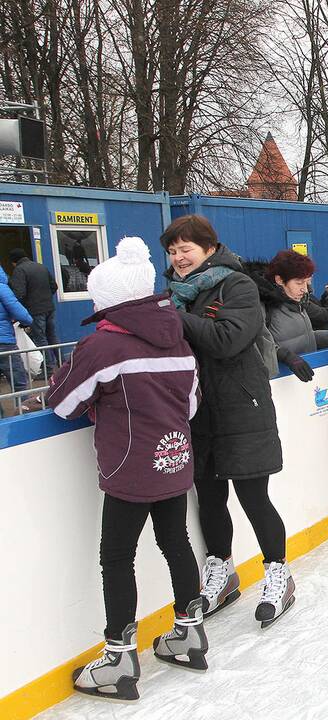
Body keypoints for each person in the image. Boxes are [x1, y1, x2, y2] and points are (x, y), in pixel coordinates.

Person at [46, 237, 207, 702]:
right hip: (174, 459)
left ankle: (119, 657)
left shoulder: (102, 347)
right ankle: (189, 631)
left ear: (110, 300)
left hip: (130, 470)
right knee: (175, 542)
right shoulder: (177, 339)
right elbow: (191, 405)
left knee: (116, 557)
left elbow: (62, 405)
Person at [161, 215, 295, 629]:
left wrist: (170, 316)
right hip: (197, 411)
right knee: (209, 497)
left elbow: (227, 340)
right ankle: (221, 570)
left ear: (209, 248)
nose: (179, 258)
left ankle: (278, 573)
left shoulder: (237, 286)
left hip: (242, 407)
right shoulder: (173, 294)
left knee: (254, 497)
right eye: (172, 251)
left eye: (186, 249)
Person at [244, 250, 328, 382]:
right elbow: (259, 345)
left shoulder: (296, 302)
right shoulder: (263, 306)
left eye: (307, 282)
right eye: (299, 283)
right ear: (279, 280)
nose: (305, 289)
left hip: (303, 379)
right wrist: (286, 356)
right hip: (279, 382)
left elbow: (304, 336)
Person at [8, 248, 60, 373]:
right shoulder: (41, 267)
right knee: (51, 336)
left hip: (35, 310)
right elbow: (54, 286)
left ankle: (48, 369)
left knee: (40, 338)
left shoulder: (19, 270)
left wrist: (18, 311)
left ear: (14, 261)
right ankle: (63, 363)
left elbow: (19, 293)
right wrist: (45, 298)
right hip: (49, 308)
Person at [0, 262, 32, 416]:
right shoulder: (2, 288)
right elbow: (20, 313)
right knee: (19, 381)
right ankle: (24, 414)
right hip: (4, 344)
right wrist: (26, 321)